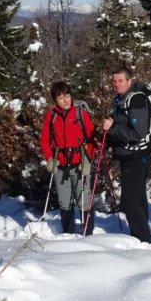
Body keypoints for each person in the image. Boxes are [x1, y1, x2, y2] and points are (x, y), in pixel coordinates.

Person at [102, 65, 151, 244]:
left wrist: (113, 127)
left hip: (136, 157)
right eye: (114, 81)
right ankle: (143, 239)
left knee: (129, 204)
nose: (116, 84)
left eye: (120, 80)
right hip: (132, 156)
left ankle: (143, 240)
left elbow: (138, 133)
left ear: (130, 81)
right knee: (138, 200)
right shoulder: (121, 99)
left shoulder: (135, 100)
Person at [40, 80, 97, 235]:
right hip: (60, 165)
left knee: (83, 200)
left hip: (79, 163)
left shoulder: (80, 113)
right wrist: (50, 158)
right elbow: (44, 139)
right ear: (55, 100)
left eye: (67, 95)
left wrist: (88, 159)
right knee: (64, 201)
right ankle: (68, 234)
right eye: (60, 97)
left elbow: (92, 139)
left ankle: (88, 234)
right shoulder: (51, 115)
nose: (65, 100)